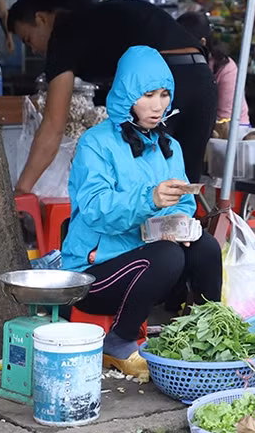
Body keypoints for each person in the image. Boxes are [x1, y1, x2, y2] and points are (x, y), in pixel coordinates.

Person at [63, 45, 222, 377]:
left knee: (205, 247)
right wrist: (149, 199)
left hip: (149, 259)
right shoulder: (95, 143)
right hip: (97, 271)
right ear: (125, 95)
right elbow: (93, 209)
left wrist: (180, 225)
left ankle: (208, 336)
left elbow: (183, 203)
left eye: (164, 94)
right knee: (167, 255)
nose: (158, 105)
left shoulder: (169, 146)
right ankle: (118, 342)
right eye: (148, 94)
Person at [7, 0, 217, 190]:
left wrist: (22, 191)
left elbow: (54, 125)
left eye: (28, 40)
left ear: (41, 19)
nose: (33, 50)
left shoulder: (63, 35)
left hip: (160, 82)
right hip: (202, 78)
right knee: (184, 193)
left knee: (142, 192)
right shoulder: (95, 18)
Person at [176, 11, 249, 125]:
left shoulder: (225, 68)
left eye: (183, 44)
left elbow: (225, 120)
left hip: (229, 131)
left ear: (202, 42)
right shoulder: (177, 61)